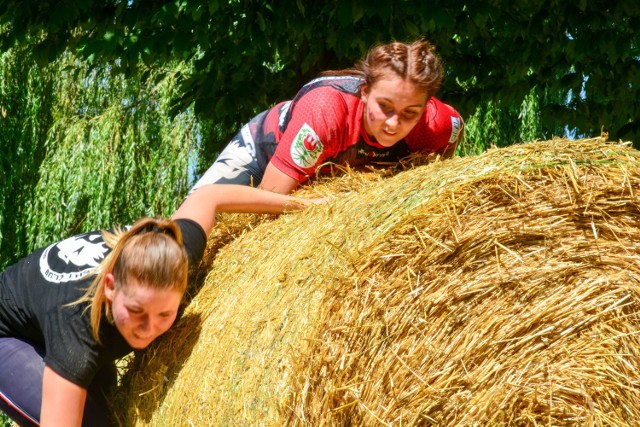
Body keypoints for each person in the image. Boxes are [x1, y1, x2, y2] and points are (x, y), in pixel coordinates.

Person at [0, 184, 317, 427]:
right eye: (136, 311)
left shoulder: (176, 253)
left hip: (66, 317)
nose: (148, 329)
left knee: (114, 409)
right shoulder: (77, 334)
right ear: (111, 287)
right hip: (8, 333)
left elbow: (210, 196)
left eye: (165, 314)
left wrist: (304, 205)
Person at [190, 39, 464, 195]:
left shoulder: (439, 126)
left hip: (335, 157)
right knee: (187, 225)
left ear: (426, 107)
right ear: (366, 92)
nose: (394, 123)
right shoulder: (326, 111)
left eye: (409, 113)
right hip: (263, 151)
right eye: (385, 106)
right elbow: (269, 195)